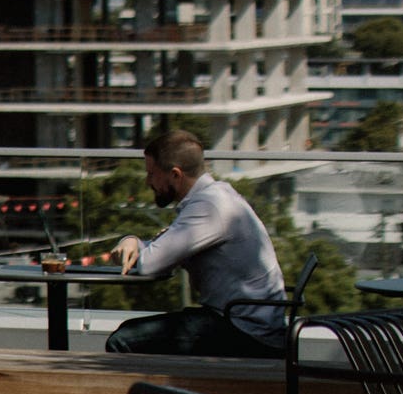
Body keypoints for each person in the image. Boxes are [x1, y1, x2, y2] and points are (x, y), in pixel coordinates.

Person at [102, 128, 289, 359]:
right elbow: (166, 248)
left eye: (152, 174)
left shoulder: (208, 208)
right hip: (246, 322)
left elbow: (152, 263)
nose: (147, 181)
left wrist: (140, 246)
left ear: (175, 175)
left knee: (123, 341)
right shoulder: (216, 196)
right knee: (129, 332)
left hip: (246, 332)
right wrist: (131, 240)